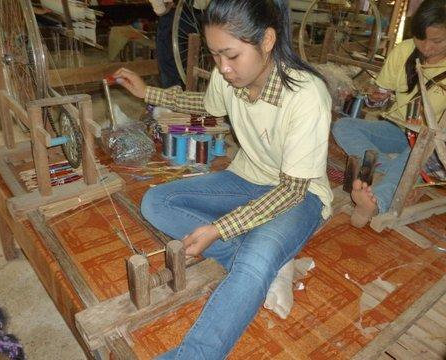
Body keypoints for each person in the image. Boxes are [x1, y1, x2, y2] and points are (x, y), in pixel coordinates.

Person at [114, 0, 332, 358]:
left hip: (301, 194)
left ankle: (196, 352)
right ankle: (263, 263)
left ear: (267, 40)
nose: (223, 68)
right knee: (155, 201)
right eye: (215, 56)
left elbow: (292, 190)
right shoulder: (227, 76)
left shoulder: (306, 96)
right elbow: (207, 104)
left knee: (257, 254)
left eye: (230, 55)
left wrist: (221, 229)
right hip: (246, 178)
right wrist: (145, 92)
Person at [332, 0, 446, 228]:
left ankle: (375, 203)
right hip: (400, 130)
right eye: (420, 38)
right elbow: (381, 98)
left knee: (414, 155)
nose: (426, 47)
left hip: (433, 143)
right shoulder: (403, 51)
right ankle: (389, 167)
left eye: (437, 41)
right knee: (343, 126)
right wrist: (378, 97)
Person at [149, 0, 210, 88]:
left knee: (170, 66)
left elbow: (160, 9)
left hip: (176, 12)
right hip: (206, 11)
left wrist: (160, 9)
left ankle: (174, 96)